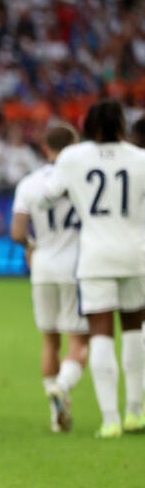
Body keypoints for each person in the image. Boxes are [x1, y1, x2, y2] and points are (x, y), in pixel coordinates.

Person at [41, 99, 145, 438]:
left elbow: (48, 195)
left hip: (95, 255)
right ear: (121, 125)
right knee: (133, 330)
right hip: (135, 253)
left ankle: (110, 419)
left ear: (89, 126)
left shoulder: (73, 157)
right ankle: (135, 412)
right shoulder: (140, 158)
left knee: (101, 334)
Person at [9, 123, 89, 433]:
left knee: (49, 340)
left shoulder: (29, 184)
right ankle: (63, 387)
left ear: (46, 149)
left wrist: (31, 248)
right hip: (78, 267)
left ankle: (56, 415)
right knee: (79, 341)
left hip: (42, 266)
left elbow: (17, 232)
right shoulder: (83, 181)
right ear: (75, 146)